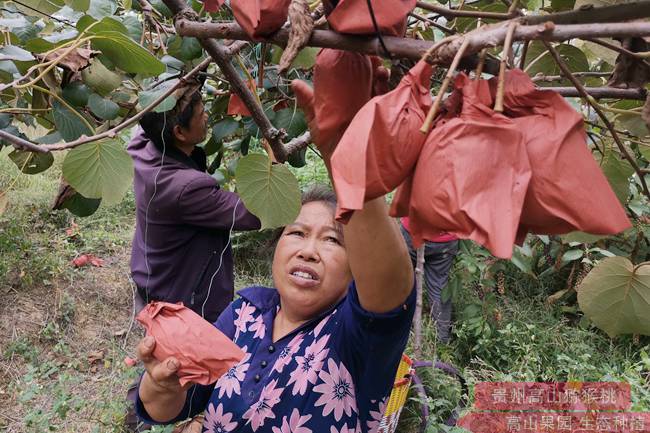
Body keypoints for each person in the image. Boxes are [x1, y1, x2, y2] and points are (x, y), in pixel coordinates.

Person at [133, 181, 415, 432]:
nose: (308, 251)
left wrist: (348, 158)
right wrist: (162, 387)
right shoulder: (244, 313)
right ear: (276, 245)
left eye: (332, 239)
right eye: (297, 233)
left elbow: (388, 278)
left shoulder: (355, 335)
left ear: (358, 267)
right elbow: (171, 406)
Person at [128, 83, 261, 323]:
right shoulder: (186, 189)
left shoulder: (142, 144)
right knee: (189, 358)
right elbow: (254, 213)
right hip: (183, 304)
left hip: (155, 278)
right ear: (179, 132)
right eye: (201, 114)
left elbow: (154, 106)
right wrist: (273, 158)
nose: (208, 116)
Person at [400, 217, 458, 343]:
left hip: (413, 232)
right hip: (446, 240)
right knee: (439, 287)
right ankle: (442, 342)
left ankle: (399, 333)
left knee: (403, 282)